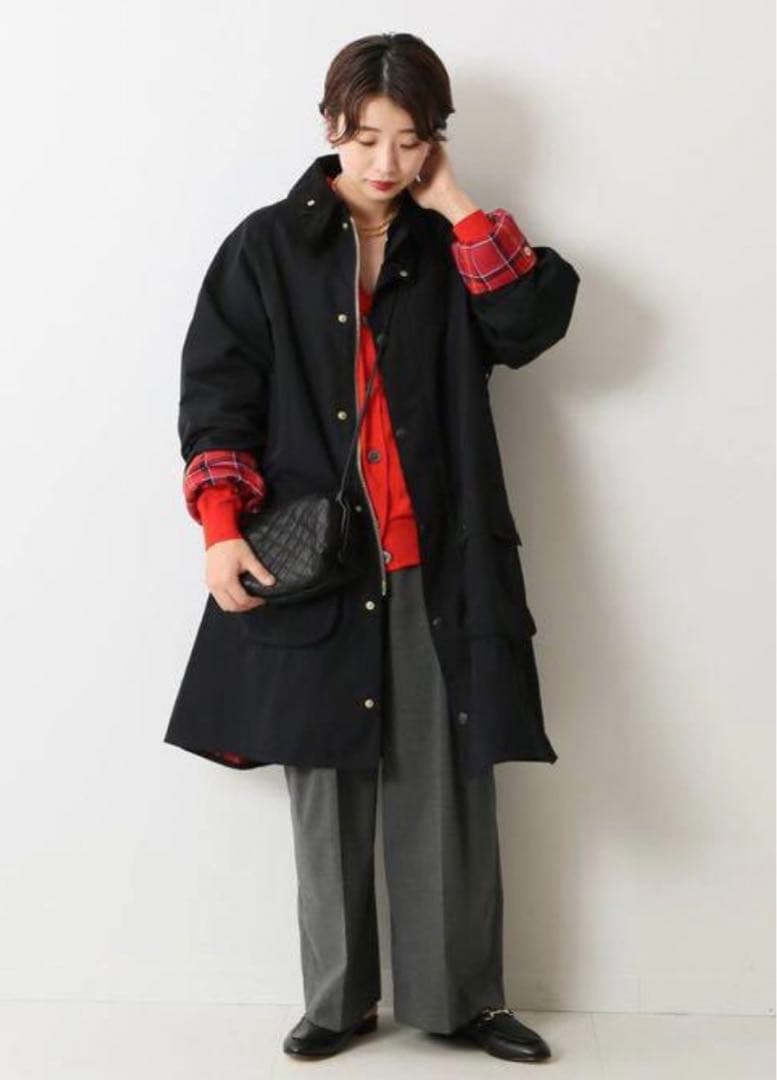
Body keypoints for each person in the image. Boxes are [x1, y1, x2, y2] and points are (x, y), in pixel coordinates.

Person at [164, 31, 580, 1064]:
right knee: (327, 784)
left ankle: (460, 1002)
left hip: (434, 559)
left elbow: (527, 324)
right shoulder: (265, 247)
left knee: (446, 781)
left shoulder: (452, 245)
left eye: (409, 140)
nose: (386, 162)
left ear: (435, 141)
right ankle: (338, 1001)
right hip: (314, 565)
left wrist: (457, 204)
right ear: (329, 128)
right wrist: (220, 531)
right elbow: (218, 395)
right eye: (364, 139)